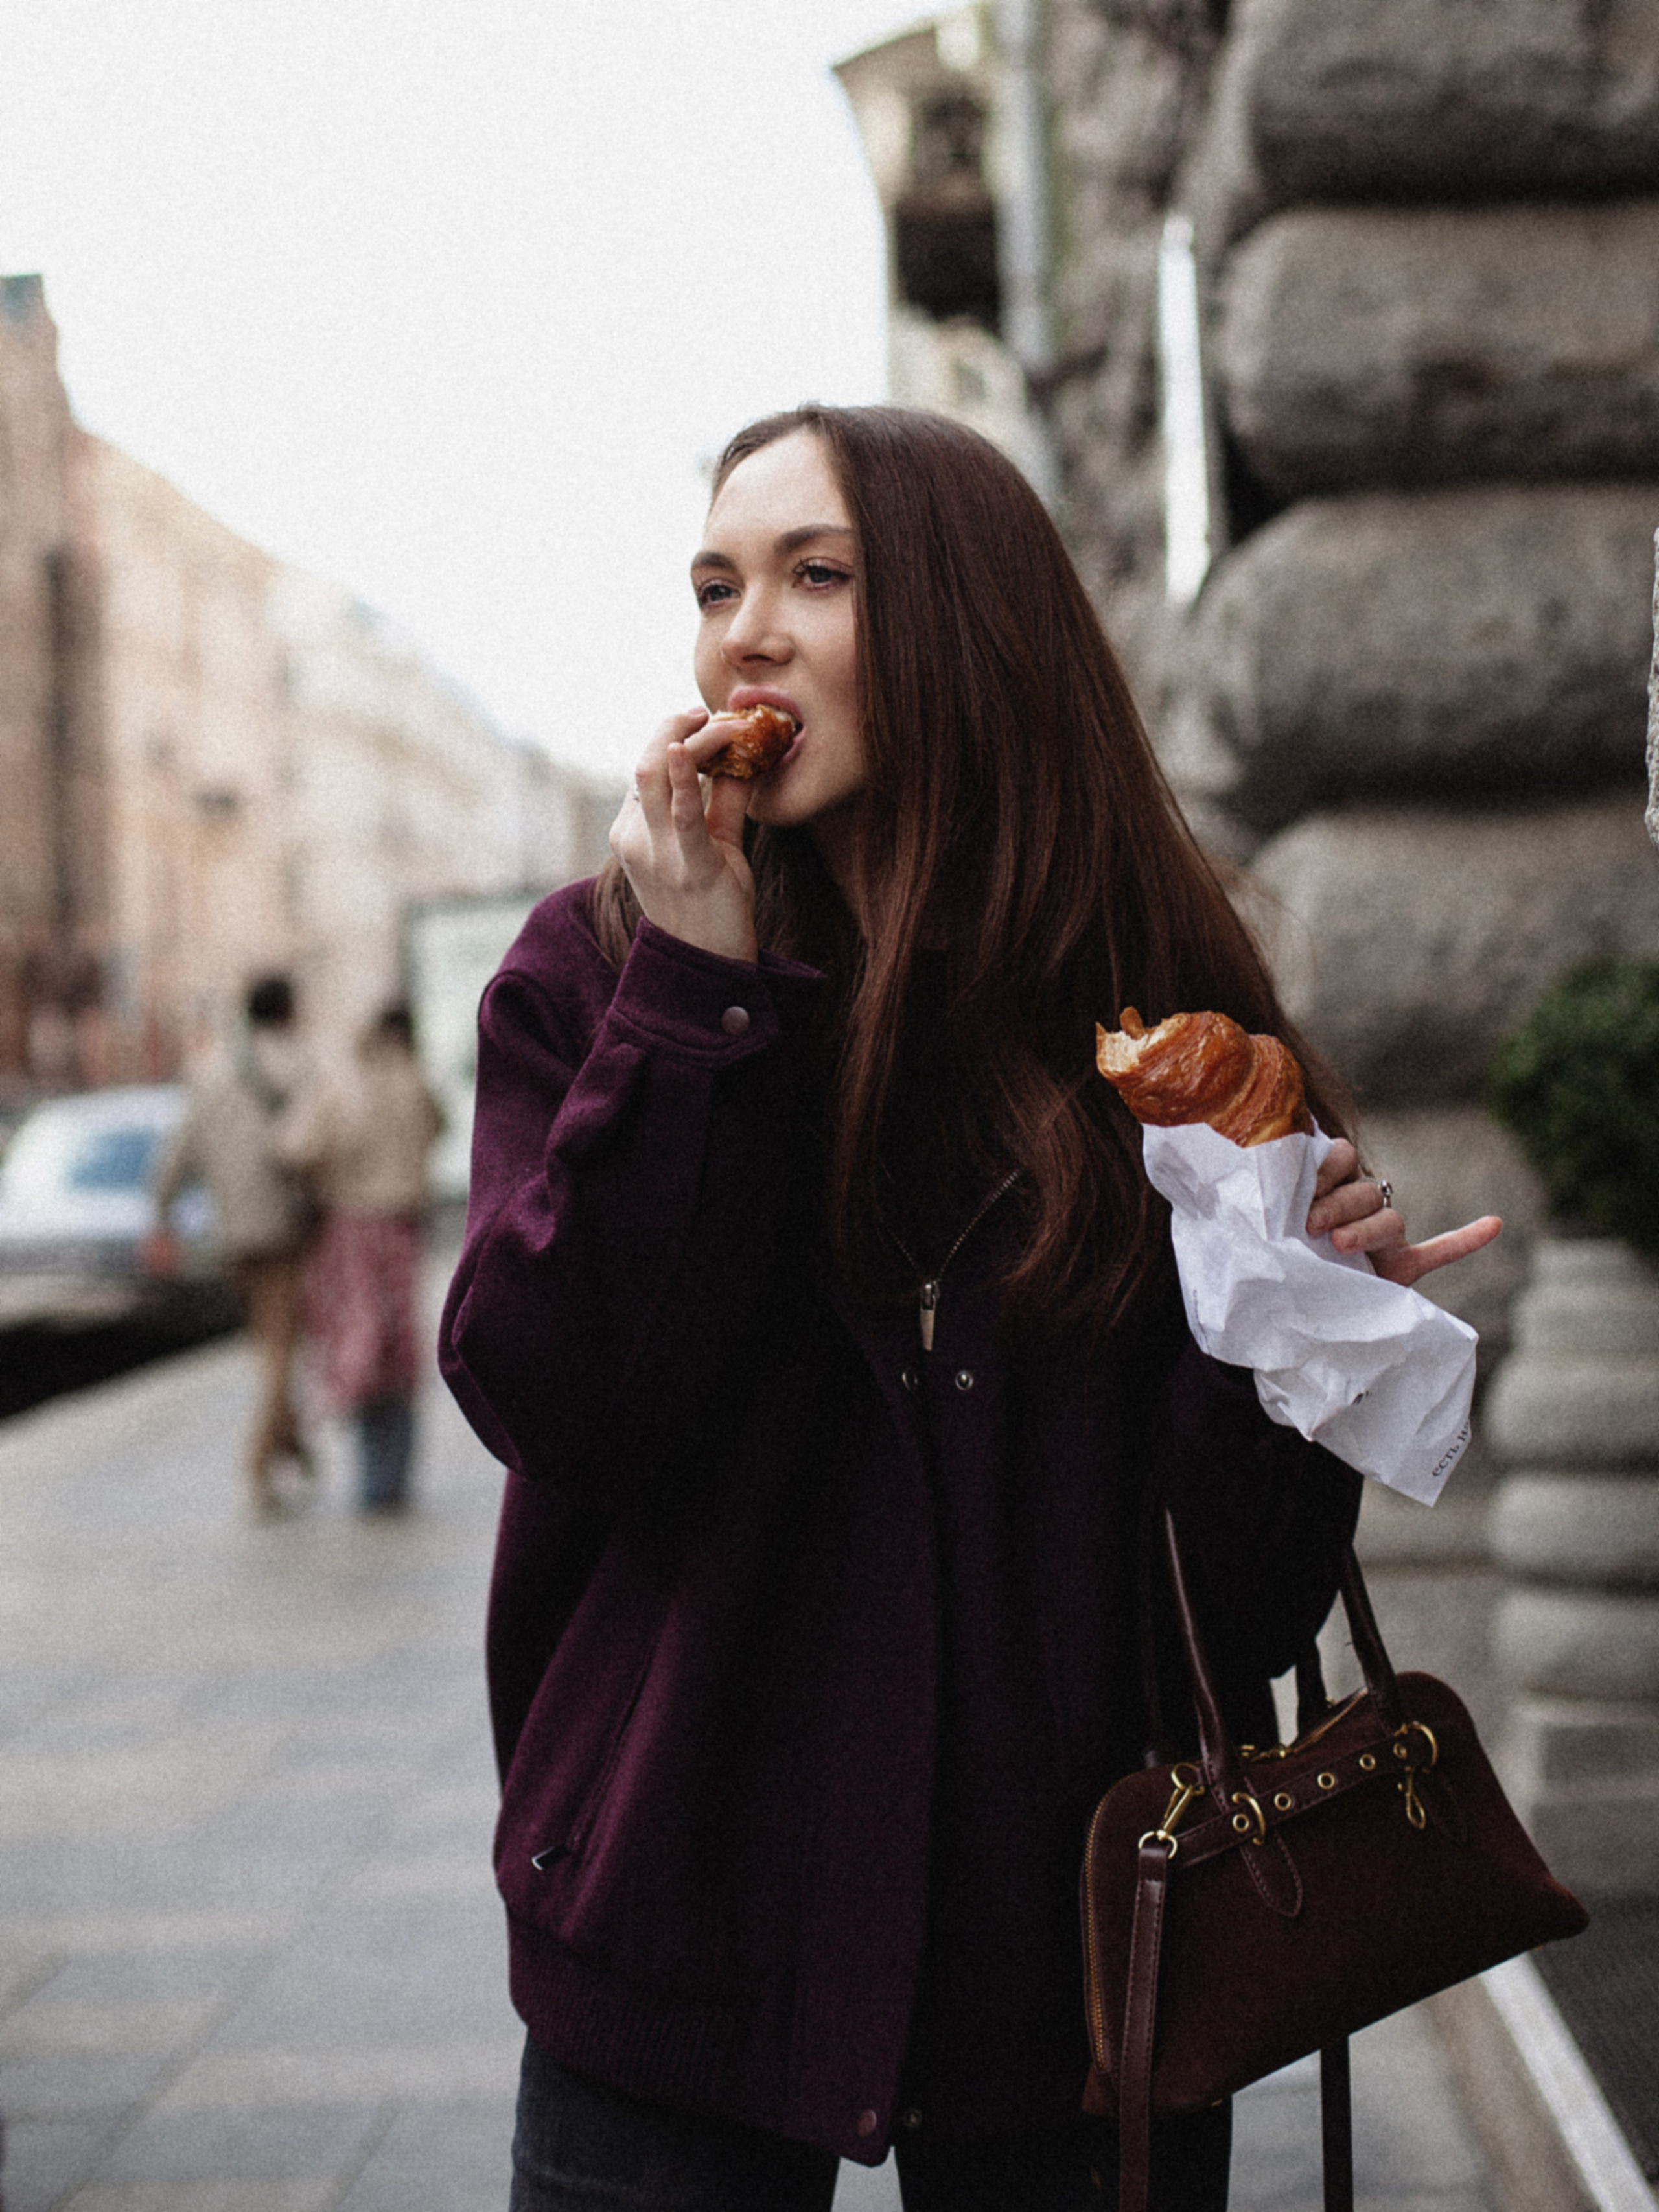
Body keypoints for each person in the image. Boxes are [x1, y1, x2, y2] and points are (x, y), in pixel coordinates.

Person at [439, 406, 1501, 2212]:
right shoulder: (600, 971)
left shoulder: (1164, 1027)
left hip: (1076, 1960)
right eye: (715, 585)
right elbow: (560, 1396)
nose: (741, 633)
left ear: (964, 622)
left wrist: (1303, 1331)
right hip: (685, 1920)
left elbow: (1229, 1601)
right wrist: (693, 1001)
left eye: (815, 576)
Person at [154, 972, 318, 1515]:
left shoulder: (210, 1069)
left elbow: (178, 1152)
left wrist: (162, 1215)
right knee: (281, 1352)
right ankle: (259, 1463)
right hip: (283, 1229)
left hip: (230, 1232)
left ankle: (292, 1440)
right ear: (287, 1010)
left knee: (268, 1346)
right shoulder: (299, 1064)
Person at [282, 1002, 443, 1513]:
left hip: (351, 1223)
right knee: (399, 1346)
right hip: (405, 1222)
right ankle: (392, 1476)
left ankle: (371, 1474)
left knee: (360, 1336)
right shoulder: (416, 1079)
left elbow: (296, 1145)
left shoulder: (342, 1083)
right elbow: (439, 1126)